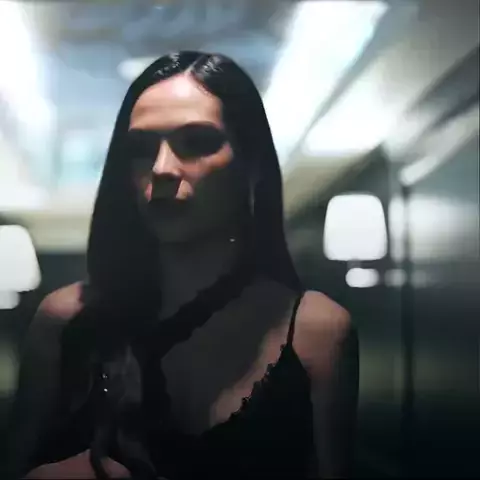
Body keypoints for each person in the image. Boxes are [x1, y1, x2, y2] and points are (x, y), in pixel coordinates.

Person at [4, 51, 359, 479]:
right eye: (140, 149)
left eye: (198, 142)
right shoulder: (66, 321)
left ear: (252, 163)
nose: (162, 169)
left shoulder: (316, 331)